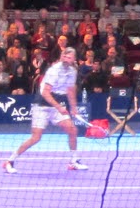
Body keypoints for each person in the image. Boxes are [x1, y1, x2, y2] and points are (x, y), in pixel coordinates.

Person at [5, 46, 88, 174]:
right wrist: (59, 107)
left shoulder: (72, 71)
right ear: (61, 57)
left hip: (56, 104)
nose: (66, 59)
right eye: (64, 56)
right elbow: (45, 93)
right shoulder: (54, 71)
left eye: (69, 57)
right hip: (42, 105)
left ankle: (74, 161)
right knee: (36, 137)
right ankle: (9, 161)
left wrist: (73, 108)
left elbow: (70, 90)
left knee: (72, 130)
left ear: (74, 59)